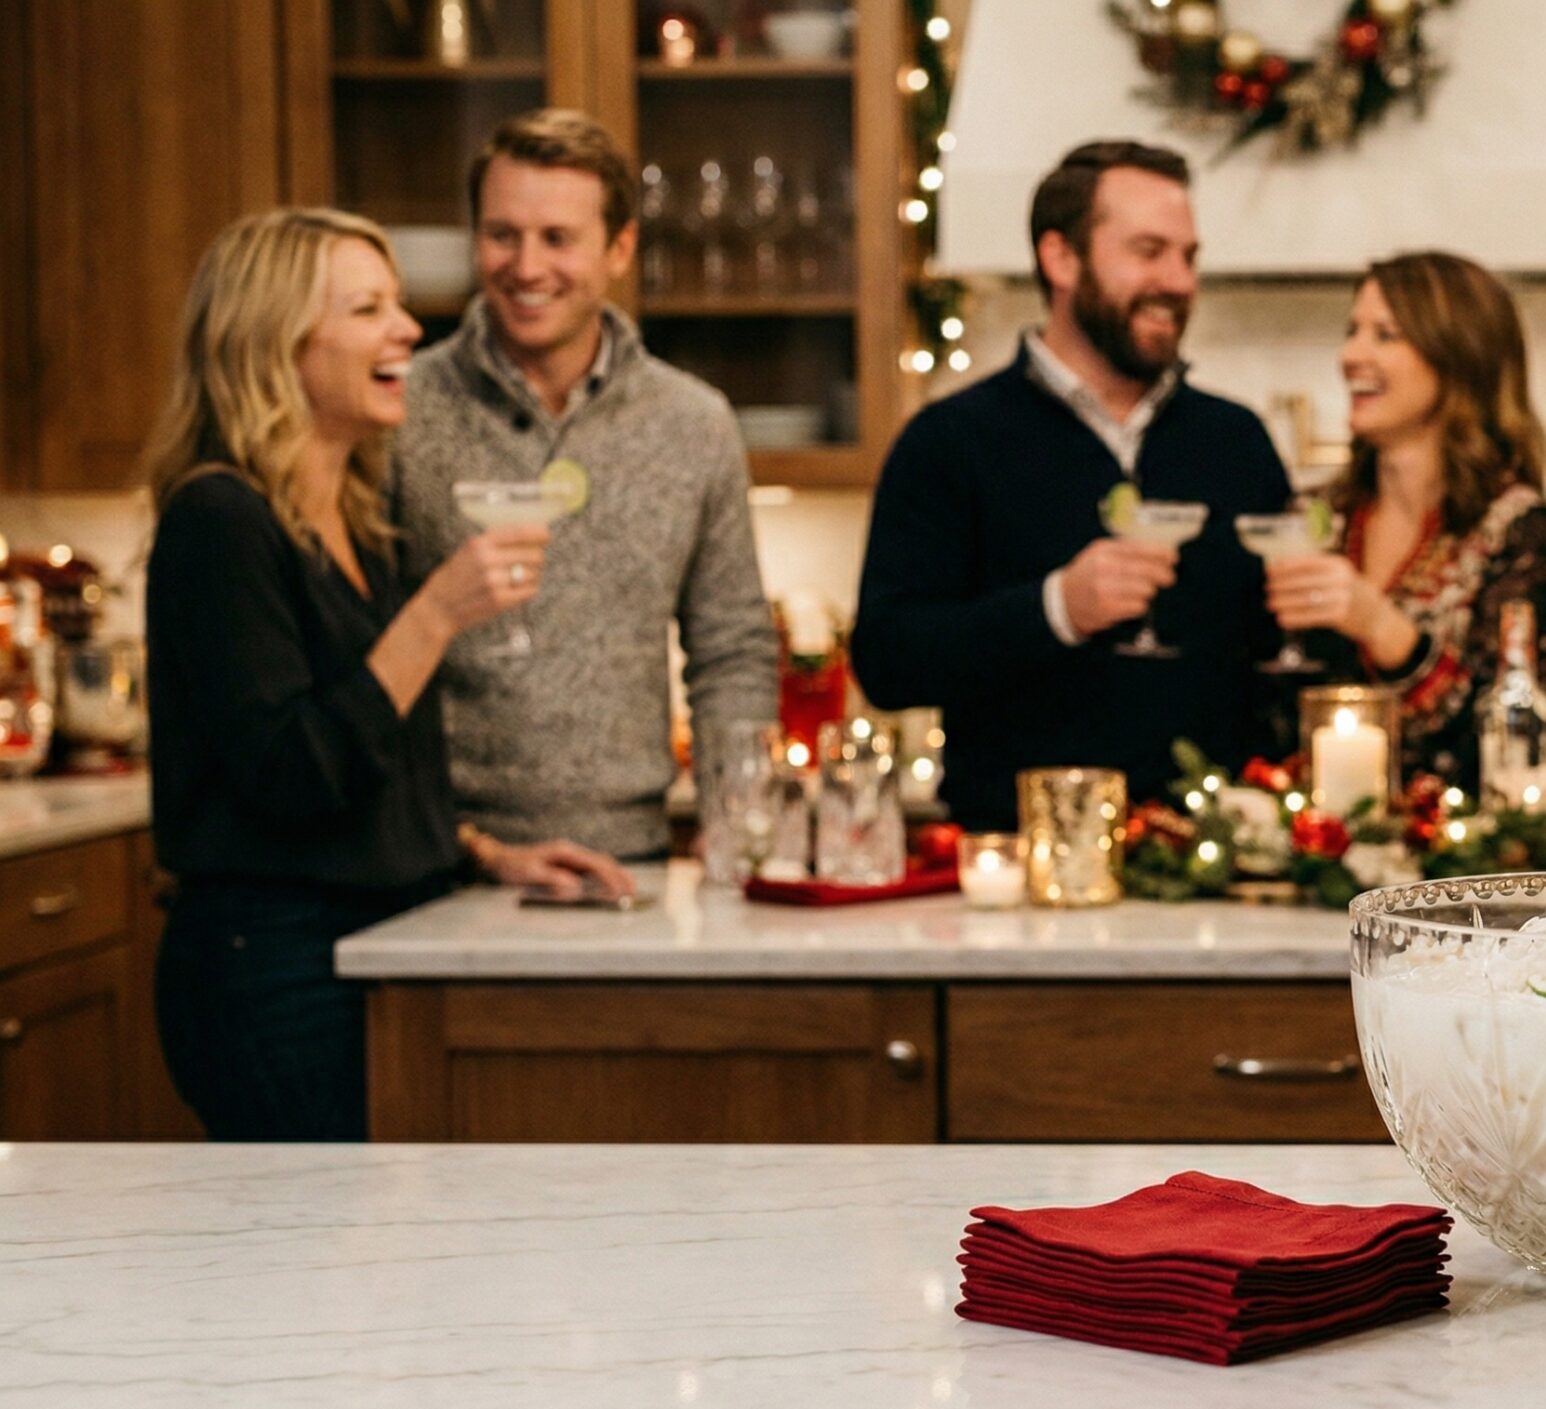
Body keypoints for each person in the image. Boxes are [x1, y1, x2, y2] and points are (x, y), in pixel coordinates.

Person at [143, 208, 630, 1141]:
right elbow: (291, 774)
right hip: (272, 976)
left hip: (362, 955)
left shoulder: (355, 525)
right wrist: (438, 613)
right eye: (369, 308)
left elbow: (370, 772)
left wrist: (486, 853)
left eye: (399, 304)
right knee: (323, 1272)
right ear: (274, 342)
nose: (409, 330)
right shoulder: (220, 522)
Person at [850, 140, 1291, 829]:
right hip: (1012, 864)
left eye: (1189, 256)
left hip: (1213, 871)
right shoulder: (949, 441)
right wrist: (1056, 608)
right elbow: (888, 661)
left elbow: (1275, 662)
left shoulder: (1235, 442)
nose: (1178, 281)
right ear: (1060, 258)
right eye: (1149, 251)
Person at [394, 109, 777, 860]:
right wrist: (465, 844)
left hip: (629, 858)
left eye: (558, 239)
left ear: (620, 249)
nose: (527, 267)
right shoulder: (400, 413)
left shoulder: (692, 422)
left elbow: (731, 647)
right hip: (441, 862)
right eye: (503, 234)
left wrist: (735, 821)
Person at [1260, 251, 1546, 793]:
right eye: (1353, 330)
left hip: (1455, 870)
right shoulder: (1315, 520)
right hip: (1299, 856)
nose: (1351, 355)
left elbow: (1503, 744)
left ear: (1458, 359)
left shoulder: (1517, 530)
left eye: (1385, 334)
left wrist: (1381, 627)